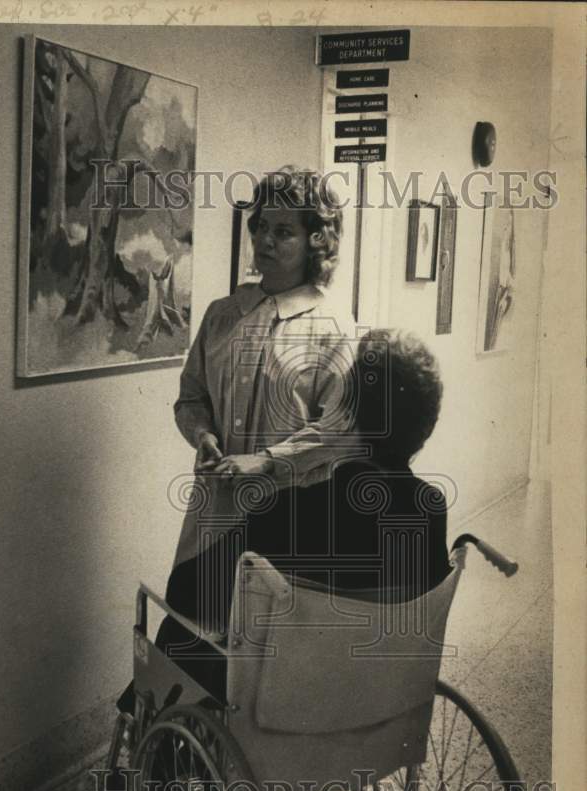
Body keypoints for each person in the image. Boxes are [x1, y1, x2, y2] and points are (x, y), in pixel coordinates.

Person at [116, 165, 360, 716]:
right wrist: (202, 434)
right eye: (260, 227)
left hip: (289, 523)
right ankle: (169, 776)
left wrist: (268, 461)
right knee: (186, 647)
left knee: (255, 669)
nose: (266, 242)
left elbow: (342, 429)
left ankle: (242, 782)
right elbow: (190, 395)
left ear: (316, 240)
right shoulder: (223, 314)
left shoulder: (333, 327)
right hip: (213, 520)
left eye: (284, 231)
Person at [143, 328, 452, 706]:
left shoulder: (291, 511)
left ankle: (155, 760)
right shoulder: (431, 507)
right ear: (427, 425)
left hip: (284, 706)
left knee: (180, 634)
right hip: (375, 699)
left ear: (347, 416)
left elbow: (187, 593)